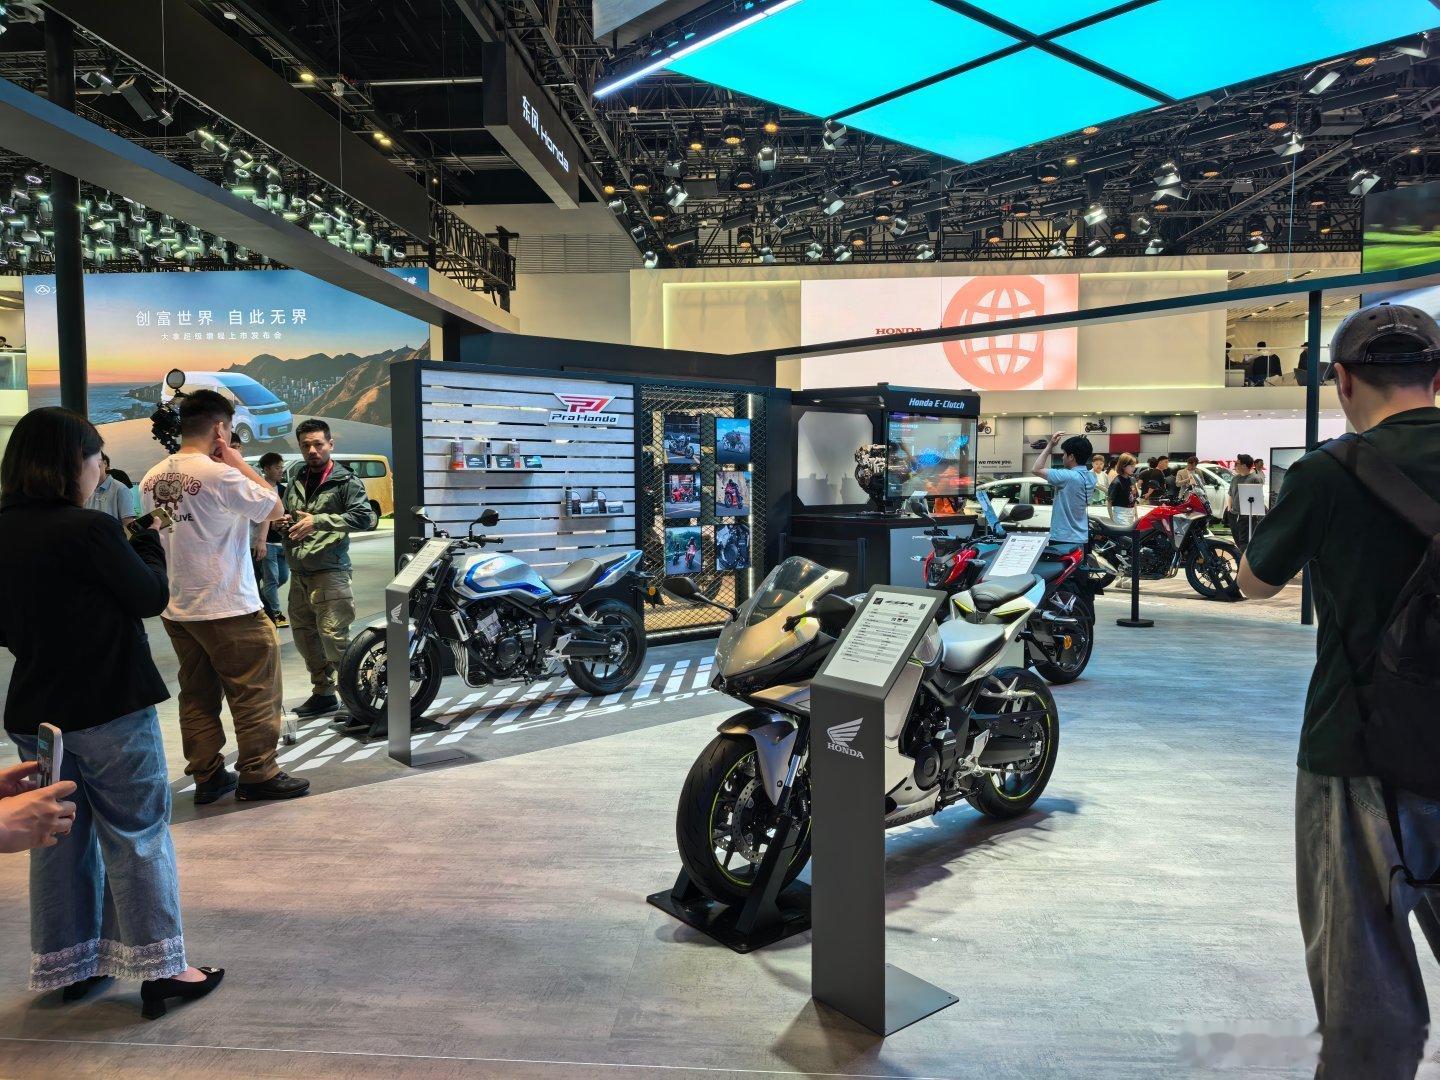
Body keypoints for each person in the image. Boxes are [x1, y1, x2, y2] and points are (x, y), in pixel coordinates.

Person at [1238, 303, 1440, 1079]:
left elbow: (1255, 583)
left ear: (1344, 380)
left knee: (1366, 985)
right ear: (1437, 377)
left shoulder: (1327, 473)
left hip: (1356, 749)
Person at [0, 406, 223, 1013]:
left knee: (56, 837)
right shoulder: (90, 530)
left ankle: (70, 966)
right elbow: (149, 596)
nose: (101, 467)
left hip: (35, 712)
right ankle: (163, 970)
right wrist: (146, 543)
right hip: (110, 706)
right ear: (70, 463)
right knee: (137, 833)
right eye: (96, 457)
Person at [141, 390, 309, 804]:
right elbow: (273, 507)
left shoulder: (151, 478)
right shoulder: (221, 474)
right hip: (228, 604)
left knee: (197, 694)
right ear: (220, 428)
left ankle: (208, 775)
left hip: (178, 607)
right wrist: (236, 460)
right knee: (254, 692)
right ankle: (259, 773)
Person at [282, 419, 375, 718]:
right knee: (305, 638)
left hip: (330, 571)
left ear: (330, 444)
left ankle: (357, 698)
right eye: (306, 445)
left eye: (318, 444)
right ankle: (323, 693)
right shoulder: (296, 476)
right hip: (299, 571)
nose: (312, 450)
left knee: (335, 638)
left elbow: (365, 518)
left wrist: (318, 521)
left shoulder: (346, 481)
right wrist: (285, 522)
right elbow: (292, 513)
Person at [1031, 431, 1095, 550]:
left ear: (1071, 457)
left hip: (1063, 538)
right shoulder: (1091, 477)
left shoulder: (1067, 477)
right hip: (1081, 537)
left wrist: (1050, 445)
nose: (1062, 457)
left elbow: (1036, 469)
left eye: (1064, 454)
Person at [255, 453, 289, 627]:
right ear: (266, 469)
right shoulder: (258, 488)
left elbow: (288, 511)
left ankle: (263, 597)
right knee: (272, 579)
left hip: (282, 541)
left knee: (282, 577)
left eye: (282, 467)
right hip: (266, 542)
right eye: (277, 468)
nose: (281, 471)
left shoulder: (284, 490)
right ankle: (276, 614)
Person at [84, 452, 135, 532]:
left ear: (105, 463)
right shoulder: (84, 492)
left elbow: (129, 527)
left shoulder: (120, 490)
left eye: (97, 465)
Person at [1226, 454, 1262, 550]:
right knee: (1237, 541)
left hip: (1247, 517)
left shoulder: (1255, 479)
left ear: (1244, 465)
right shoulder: (1235, 478)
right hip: (1234, 515)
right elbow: (1230, 494)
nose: (1235, 465)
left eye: (1237, 463)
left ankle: (1243, 559)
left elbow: (1258, 498)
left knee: (1245, 544)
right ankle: (1240, 558)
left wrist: (1254, 515)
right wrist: (1229, 510)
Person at [1107, 453, 1139, 526]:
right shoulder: (1116, 482)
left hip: (1131, 513)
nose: (1134, 468)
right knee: (1124, 533)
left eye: (1134, 466)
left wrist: (1136, 515)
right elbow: (1109, 502)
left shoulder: (1132, 480)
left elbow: (1134, 500)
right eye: (1131, 466)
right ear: (1123, 466)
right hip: (1120, 514)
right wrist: (1112, 519)